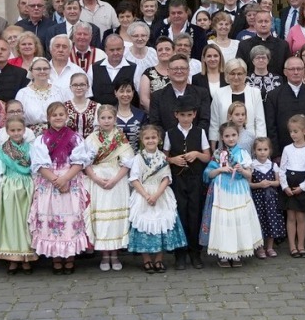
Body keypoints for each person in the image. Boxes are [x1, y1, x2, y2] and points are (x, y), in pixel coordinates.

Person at [29, 102, 91, 274]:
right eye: (54, 115)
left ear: (66, 116)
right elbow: (39, 164)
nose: (58, 117)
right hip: (49, 182)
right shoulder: (41, 139)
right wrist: (56, 180)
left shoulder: (75, 138)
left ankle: (69, 258)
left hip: (70, 180)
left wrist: (65, 179)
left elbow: (80, 162)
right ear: (48, 118)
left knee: (70, 220)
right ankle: (56, 258)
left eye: (61, 114)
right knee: (52, 219)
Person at [200, 122, 264, 268]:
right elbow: (208, 174)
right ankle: (223, 254)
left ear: (238, 135)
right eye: (227, 136)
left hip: (239, 191)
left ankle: (238, 252)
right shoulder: (218, 154)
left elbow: (249, 175)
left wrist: (241, 170)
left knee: (238, 219)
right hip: (222, 191)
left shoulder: (243, 153)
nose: (231, 138)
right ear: (222, 137)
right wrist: (220, 170)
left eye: (233, 135)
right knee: (224, 220)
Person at [0, 115, 37, 274]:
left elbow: (35, 168)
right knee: (11, 223)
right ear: (7, 131)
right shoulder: (3, 150)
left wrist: (36, 185)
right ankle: (13, 259)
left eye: (19, 130)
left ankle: (26, 258)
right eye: (13, 130)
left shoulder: (31, 148)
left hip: (27, 187)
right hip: (9, 188)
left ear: (24, 130)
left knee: (25, 222)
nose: (16, 133)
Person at [128, 125, 188, 274]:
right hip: (143, 194)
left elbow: (166, 178)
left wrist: (156, 195)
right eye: (147, 138)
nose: (150, 140)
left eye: (153, 137)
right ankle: (146, 259)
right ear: (142, 140)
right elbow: (134, 179)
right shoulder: (138, 158)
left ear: (159, 139)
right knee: (143, 225)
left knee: (161, 224)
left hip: (160, 194)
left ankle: (159, 259)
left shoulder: (162, 157)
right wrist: (146, 196)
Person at [82, 104, 133, 271]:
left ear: (115, 119)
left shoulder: (120, 137)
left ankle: (115, 254)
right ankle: (104, 255)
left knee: (115, 217)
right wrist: (96, 178)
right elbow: (85, 162)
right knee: (101, 218)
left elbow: (127, 162)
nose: (106, 121)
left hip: (116, 179)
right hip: (97, 179)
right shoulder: (91, 138)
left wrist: (115, 180)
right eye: (103, 118)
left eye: (109, 117)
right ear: (98, 119)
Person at [164, 95, 212, 270]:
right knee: (180, 213)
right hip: (178, 179)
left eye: (189, 115)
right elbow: (163, 157)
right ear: (176, 115)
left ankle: (195, 252)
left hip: (195, 179)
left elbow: (207, 157)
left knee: (195, 213)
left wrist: (197, 154)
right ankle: (180, 253)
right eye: (182, 115)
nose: (186, 118)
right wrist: (173, 160)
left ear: (194, 115)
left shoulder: (200, 132)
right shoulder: (170, 133)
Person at [264, 56, 305, 157]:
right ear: (285, 72)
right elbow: (271, 127)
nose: (296, 72)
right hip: (283, 152)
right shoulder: (273, 96)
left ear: (304, 71)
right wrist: (276, 154)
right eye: (292, 69)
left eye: (299, 69)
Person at [279, 115, 305, 259]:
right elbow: (282, 169)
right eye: (291, 131)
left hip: (302, 186)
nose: (293, 134)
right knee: (290, 216)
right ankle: (292, 246)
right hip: (289, 183)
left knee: (301, 216)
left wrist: (303, 186)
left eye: (296, 131)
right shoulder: (287, 149)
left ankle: (301, 245)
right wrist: (284, 186)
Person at [148, 54, 211, 133]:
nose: (179, 71)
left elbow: (204, 120)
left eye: (183, 68)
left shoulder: (202, 93)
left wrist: (192, 137)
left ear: (188, 71)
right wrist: (171, 138)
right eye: (175, 68)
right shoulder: (157, 96)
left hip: (196, 139)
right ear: (168, 71)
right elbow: (155, 124)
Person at [209, 58, 265, 144]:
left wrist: (260, 144)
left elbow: (260, 122)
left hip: (249, 142)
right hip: (225, 143)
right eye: (232, 74)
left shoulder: (255, 93)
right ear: (227, 75)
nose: (236, 77)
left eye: (239, 74)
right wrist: (213, 145)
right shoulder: (219, 93)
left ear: (245, 74)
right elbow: (214, 122)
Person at [250, 137, 285, 259]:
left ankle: (270, 247)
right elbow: (249, 184)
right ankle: (259, 248)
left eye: (265, 149)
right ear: (254, 151)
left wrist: (270, 183)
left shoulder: (273, 165)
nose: (262, 152)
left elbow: (278, 182)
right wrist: (259, 185)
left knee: (271, 220)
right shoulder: (252, 165)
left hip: (271, 200)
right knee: (259, 221)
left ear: (270, 150)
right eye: (259, 149)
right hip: (258, 199)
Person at [15, 58, 67, 132]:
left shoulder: (59, 91)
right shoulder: (23, 93)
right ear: (31, 71)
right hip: (31, 135)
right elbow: (17, 118)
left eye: (45, 69)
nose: (42, 71)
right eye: (38, 69)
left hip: (58, 132)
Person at [236, 10, 290, 75]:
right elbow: (240, 70)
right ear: (254, 24)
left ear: (271, 23)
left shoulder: (283, 45)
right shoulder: (244, 45)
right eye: (260, 21)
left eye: (266, 21)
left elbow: (288, 69)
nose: (263, 24)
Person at [90, 34, 138, 106]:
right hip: (99, 112)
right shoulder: (93, 68)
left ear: (124, 49)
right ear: (105, 50)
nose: (115, 53)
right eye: (112, 50)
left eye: (118, 49)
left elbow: (139, 94)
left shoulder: (135, 68)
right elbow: (88, 94)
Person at [138, 36, 174, 109]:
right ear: (156, 53)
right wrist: (157, 113)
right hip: (154, 113)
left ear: (174, 52)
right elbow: (144, 99)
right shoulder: (148, 73)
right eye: (160, 50)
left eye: (167, 49)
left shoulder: (180, 71)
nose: (164, 52)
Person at [61, 72, 99, 138]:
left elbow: (98, 129)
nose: (78, 88)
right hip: (69, 143)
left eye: (82, 85)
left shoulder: (96, 107)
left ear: (88, 87)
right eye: (75, 85)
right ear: (70, 87)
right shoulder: (64, 107)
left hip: (91, 143)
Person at [114, 79, 147, 149]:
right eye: (122, 91)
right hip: (114, 154)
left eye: (128, 91)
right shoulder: (109, 114)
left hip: (136, 154)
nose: (125, 94)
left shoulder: (141, 115)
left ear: (133, 93)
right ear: (115, 93)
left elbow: (146, 137)